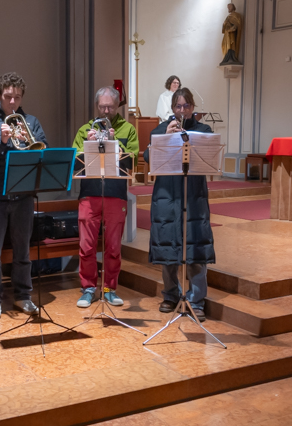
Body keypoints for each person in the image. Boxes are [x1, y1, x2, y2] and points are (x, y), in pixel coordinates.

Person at [0, 72, 48, 320]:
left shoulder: (31, 122)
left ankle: (23, 296)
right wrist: (1, 141)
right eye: (8, 97)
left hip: (23, 196)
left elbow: (42, 150)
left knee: (23, 251)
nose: (12, 102)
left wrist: (30, 141)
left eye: (17, 97)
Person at [144, 87, 215, 319]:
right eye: (178, 106)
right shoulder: (160, 130)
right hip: (167, 197)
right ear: (172, 108)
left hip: (193, 197)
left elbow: (211, 154)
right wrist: (166, 134)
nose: (182, 110)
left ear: (192, 108)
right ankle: (170, 294)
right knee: (168, 245)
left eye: (186, 106)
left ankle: (196, 300)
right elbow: (147, 157)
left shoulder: (203, 130)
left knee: (195, 245)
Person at [71, 87, 139, 308]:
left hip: (115, 194)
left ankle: (109, 288)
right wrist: (87, 145)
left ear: (117, 105)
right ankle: (88, 288)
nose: (106, 111)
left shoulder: (128, 129)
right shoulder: (84, 129)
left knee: (113, 247)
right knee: (87, 246)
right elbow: (73, 160)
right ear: (96, 106)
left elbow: (134, 159)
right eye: (102, 107)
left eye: (110, 107)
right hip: (89, 193)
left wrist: (115, 144)